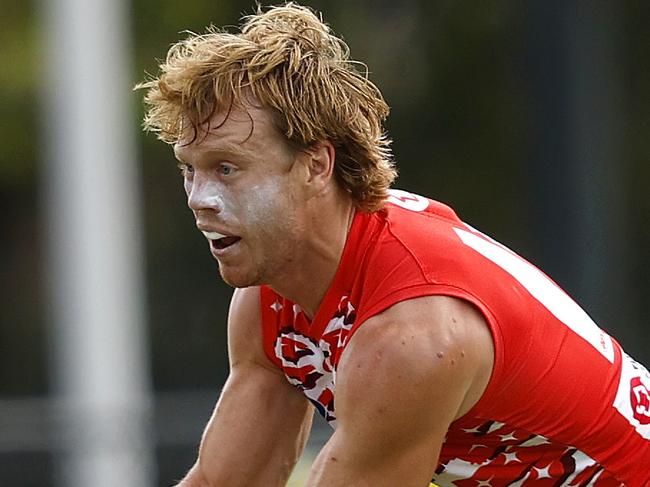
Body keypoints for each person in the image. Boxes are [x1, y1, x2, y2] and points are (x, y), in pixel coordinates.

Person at [138, 3, 650, 486]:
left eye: (227, 169)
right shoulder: (273, 293)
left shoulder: (411, 330)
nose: (199, 199)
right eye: (190, 168)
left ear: (317, 165)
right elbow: (225, 479)